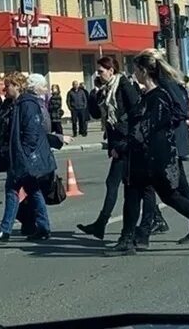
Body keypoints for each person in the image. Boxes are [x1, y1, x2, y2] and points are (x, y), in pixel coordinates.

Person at [109, 52, 189, 254]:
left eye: (136, 70)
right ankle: (127, 239)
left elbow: (146, 129)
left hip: (157, 158)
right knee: (133, 195)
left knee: (171, 196)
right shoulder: (148, 96)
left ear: (144, 71)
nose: (134, 74)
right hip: (143, 157)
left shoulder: (159, 97)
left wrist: (123, 145)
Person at [0, 72, 62, 243]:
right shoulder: (14, 104)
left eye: (8, 86)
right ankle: (43, 228)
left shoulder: (27, 104)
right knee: (33, 190)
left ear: (17, 86)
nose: (5, 89)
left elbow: (31, 133)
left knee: (12, 190)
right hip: (17, 155)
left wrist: (24, 154)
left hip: (24, 157)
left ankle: (5, 230)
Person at [77, 56, 136, 241]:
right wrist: (94, 94)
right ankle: (152, 220)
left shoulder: (124, 85)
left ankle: (102, 224)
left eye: (101, 71)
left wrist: (122, 144)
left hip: (127, 143)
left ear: (112, 70)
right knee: (135, 186)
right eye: (97, 71)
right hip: (118, 142)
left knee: (118, 184)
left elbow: (134, 113)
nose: (99, 74)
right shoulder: (105, 90)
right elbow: (95, 114)